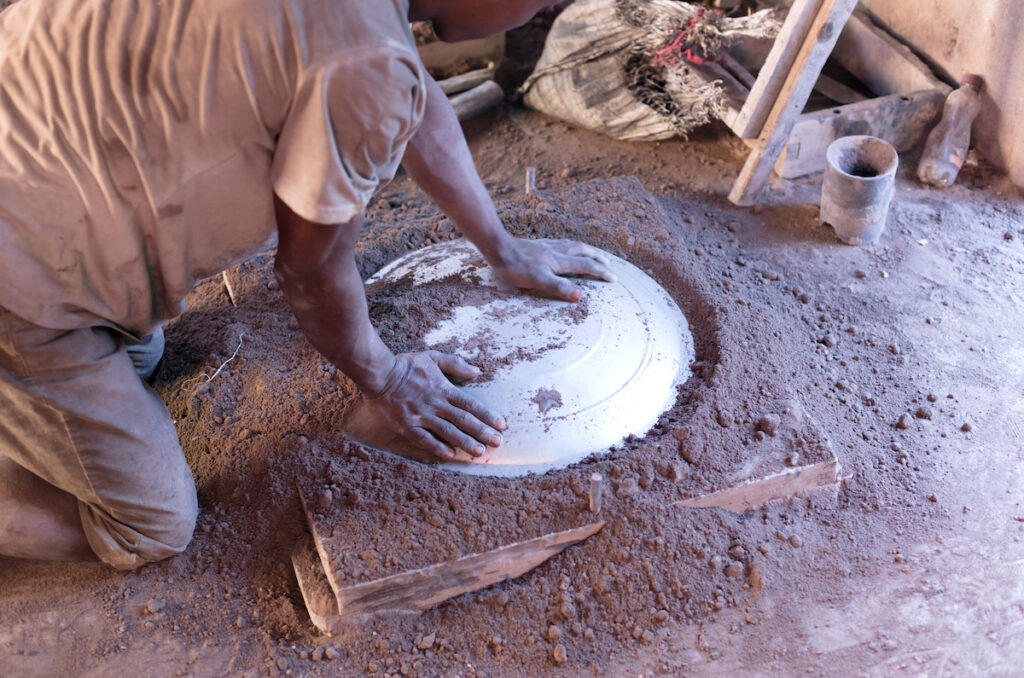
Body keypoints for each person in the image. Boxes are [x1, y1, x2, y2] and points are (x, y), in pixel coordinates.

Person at [0, 0, 613, 569]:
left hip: (34, 156)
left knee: (142, 357)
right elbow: (310, 270)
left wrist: (500, 247)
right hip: (22, 283)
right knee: (153, 528)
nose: (537, 12)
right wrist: (388, 376)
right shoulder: (363, 61)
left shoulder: (367, 27)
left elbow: (414, 102)